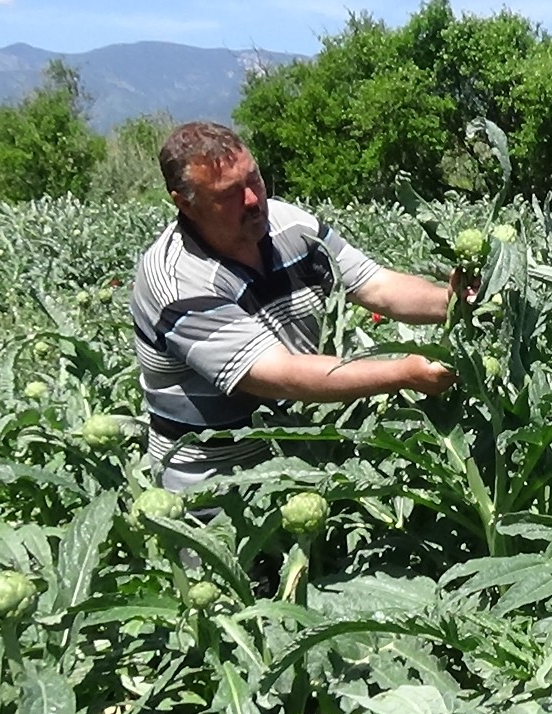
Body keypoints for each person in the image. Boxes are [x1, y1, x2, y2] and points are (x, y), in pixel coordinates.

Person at [129, 121, 465, 491]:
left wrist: (455, 301)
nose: (254, 201)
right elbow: (279, 374)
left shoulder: (290, 225)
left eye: (253, 179)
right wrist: (404, 373)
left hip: (309, 463)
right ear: (185, 204)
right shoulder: (178, 281)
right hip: (215, 492)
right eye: (229, 194)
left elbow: (378, 286)